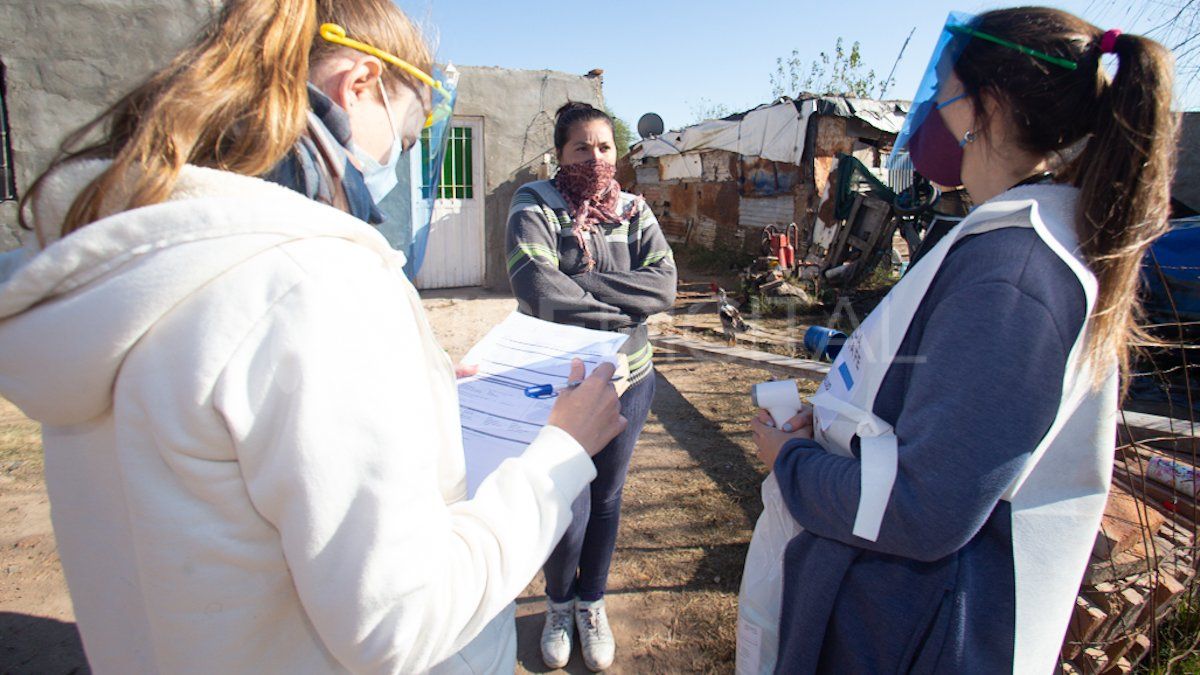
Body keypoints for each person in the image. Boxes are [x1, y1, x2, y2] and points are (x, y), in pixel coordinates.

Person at [0, 1, 627, 673]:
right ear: (357, 85)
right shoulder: (312, 283)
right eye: (409, 133)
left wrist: (413, 396)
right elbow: (400, 622)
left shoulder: (135, 272)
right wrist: (558, 454)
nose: (396, 161)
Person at [748, 7, 1176, 674]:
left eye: (946, 92)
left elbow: (922, 510)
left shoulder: (1017, 272)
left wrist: (792, 462)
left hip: (899, 629)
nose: (937, 116)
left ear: (991, 106)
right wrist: (832, 431)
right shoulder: (1019, 241)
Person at [505, 102, 677, 671]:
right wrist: (618, 308)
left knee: (605, 497)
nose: (595, 158)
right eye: (582, 148)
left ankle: (592, 603)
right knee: (566, 499)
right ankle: (559, 604)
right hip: (561, 381)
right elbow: (534, 282)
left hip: (631, 377)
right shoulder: (535, 202)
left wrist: (581, 280)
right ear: (560, 154)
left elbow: (664, 286)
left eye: (604, 147)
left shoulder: (632, 208)